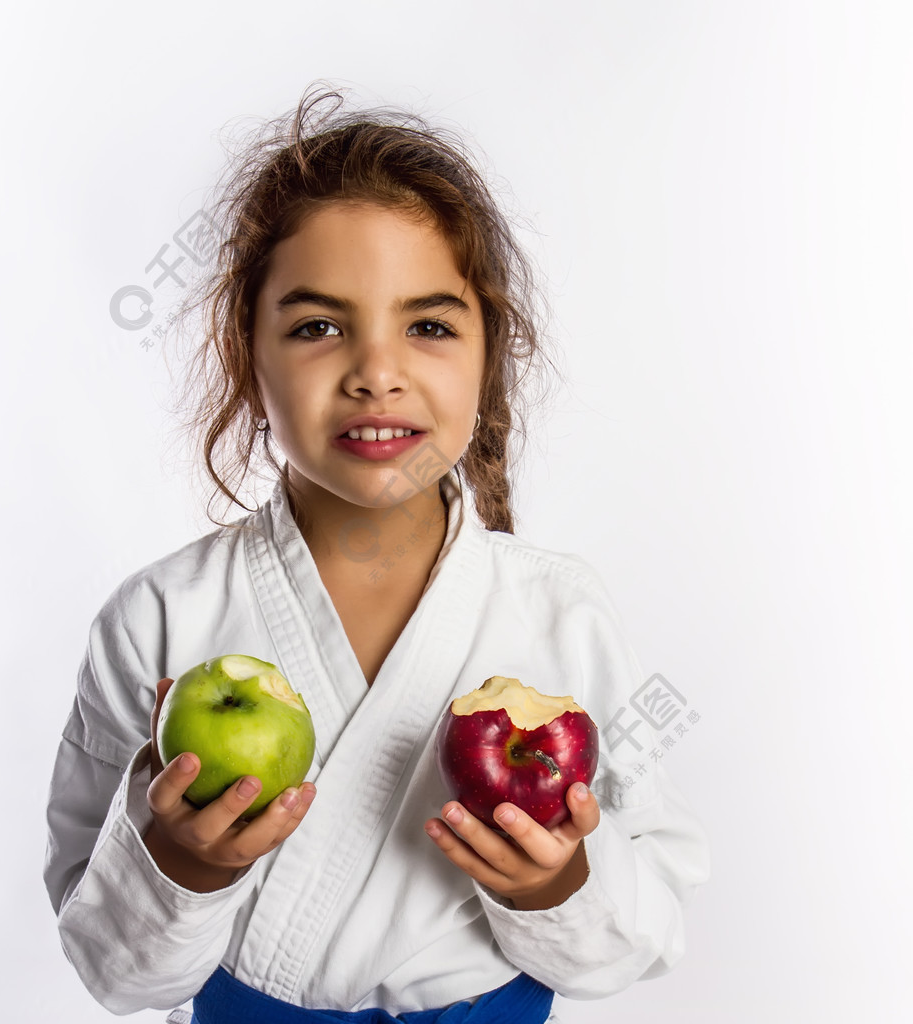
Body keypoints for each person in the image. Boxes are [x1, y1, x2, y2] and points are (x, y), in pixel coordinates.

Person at [44, 84, 710, 1024]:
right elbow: (113, 972)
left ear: (489, 350)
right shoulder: (159, 618)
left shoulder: (559, 611)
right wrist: (179, 864)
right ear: (249, 353)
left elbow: (646, 931)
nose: (376, 371)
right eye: (318, 327)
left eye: (430, 326)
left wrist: (552, 887)